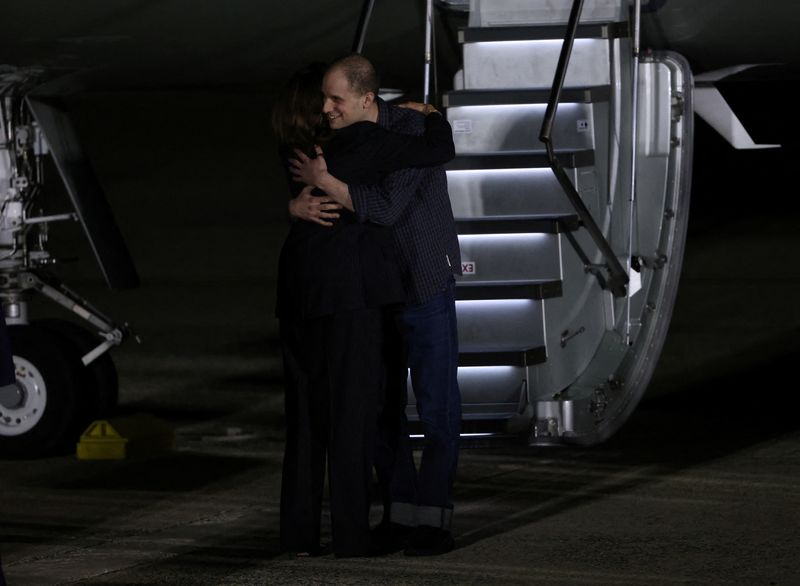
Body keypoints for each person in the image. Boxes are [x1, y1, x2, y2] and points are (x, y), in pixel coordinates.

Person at [272, 62, 455, 558]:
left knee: (431, 409)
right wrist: (300, 199)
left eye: (337, 101)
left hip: (415, 281)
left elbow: (387, 208)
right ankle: (393, 516)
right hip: (371, 293)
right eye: (325, 102)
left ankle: (430, 520)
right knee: (375, 411)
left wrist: (320, 184)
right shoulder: (342, 142)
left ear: (365, 99)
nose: (330, 110)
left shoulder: (392, 135)